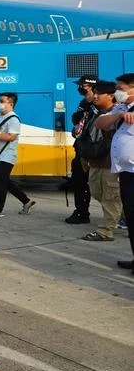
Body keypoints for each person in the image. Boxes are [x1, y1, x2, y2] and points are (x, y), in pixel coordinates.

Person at [94, 73, 134, 274]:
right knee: (131, 216)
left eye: (121, 87)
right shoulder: (122, 107)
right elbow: (99, 124)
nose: (117, 91)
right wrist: (118, 115)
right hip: (125, 170)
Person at [0, 92, 36, 218]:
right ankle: (26, 201)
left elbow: (11, 136)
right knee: (4, 180)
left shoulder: (13, 119)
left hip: (7, 156)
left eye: (2, 101)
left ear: (10, 103)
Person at [79, 81, 121, 242]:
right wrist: (84, 156)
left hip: (111, 163)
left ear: (111, 96)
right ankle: (123, 216)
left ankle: (106, 231)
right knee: (98, 193)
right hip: (95, 161)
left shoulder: (118, 114)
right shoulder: (94, 113)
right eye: (94, 92)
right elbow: (87, 137)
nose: (94, 96)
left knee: (111, 197)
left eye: (99, 93)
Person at [65, 75, 98, 224]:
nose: (80, 88)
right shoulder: (84, 102)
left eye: (83, 85)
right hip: (81, 148)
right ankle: (81, 212)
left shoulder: (101, 104)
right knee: (79, 182)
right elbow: (76, 120)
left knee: (103, 187)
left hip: (97, 150)